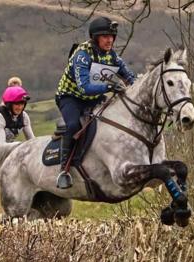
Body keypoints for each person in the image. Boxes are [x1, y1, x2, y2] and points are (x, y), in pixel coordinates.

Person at [55, 16, 137, 189]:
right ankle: (64, 169)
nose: (110, 40)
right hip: (71, 97)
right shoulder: (82, 55)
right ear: (95, 37)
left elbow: (129, 77)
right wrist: (109, 86)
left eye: (112, 37)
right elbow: (84, 87)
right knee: (72, 126)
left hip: (94, 97)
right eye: (105, 36)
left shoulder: (112, 55)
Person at [0, 86, 35, 154]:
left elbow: (32, 140)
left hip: (11, 146)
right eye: (17, 104)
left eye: (22, 103)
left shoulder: (24, 117)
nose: (20, 107)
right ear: (9, 104)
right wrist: (21, 145)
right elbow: (1, 146)